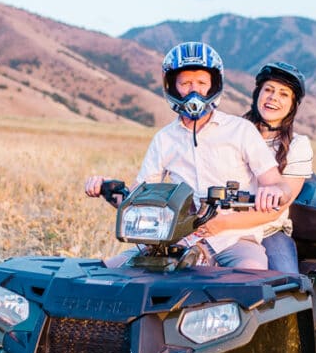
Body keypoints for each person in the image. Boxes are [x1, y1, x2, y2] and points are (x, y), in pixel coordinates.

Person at [85, 42, 299, 269]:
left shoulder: (241, 130)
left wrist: (275, 191)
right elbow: (140, 198)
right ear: (172, 87)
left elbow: (277, 183)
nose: (194, 90)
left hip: (235, 239)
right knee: (110, 269)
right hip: (179, 240)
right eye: (185, 83)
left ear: (214, 86)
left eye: (201, 83)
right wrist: (106, 189)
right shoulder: (164, 139)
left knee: (250, 276)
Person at [244, 62, 313, 273]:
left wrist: (226, 223)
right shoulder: (233, 133)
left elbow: (280, 207)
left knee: (287, 284)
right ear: (258, 94)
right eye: (268, 90)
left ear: (292, 105)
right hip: (223, 227)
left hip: (269, 230)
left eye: (284, 94)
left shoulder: (298, 145)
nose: (273, 97)